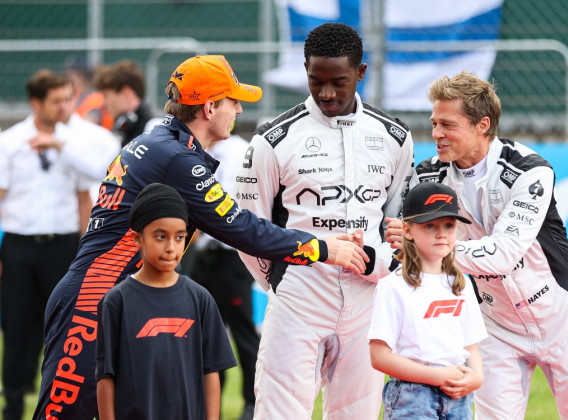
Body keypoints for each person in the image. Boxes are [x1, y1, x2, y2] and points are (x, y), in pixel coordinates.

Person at [33, 54, 367, 420]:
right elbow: (241, 228)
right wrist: (324, 248)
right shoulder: (176, 158)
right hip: (91, 301)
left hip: (118, 299)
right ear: (209, 108)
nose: (239, 110)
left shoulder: (163, 144)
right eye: (233, 101)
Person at [387, 71, 568, 419]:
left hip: (561, 317)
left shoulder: (530, 170)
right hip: (493, 325)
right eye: (434, 123)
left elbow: (504, 254)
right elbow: (400, 241)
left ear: (482, 124)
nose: (436, 134)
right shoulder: (427, 176)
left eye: (447, 124)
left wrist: (424, 247)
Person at [234, 23, 415, 419]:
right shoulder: (273, 139)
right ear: (305, 70)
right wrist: (281, 279)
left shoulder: (396, 137)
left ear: (361, 73)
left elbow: (402, 227)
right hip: (299, 295)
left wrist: (374, 263)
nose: (327, 92)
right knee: (280, 412)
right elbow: (248, 228)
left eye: (339, 81)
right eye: (316, 81)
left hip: (368, 299)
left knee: (358, 414)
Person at [95, 183, 236, 420]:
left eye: (179, 237)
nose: (171, 248)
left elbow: (211, 372)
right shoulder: (116, 301)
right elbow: (105, 376)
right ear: (137, 238)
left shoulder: (200, 299)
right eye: (160, 236)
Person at [0, 69, 93, 420]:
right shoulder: (10, 141)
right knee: (17, 330)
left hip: (64, 246)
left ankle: (56, 406)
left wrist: (84, 250)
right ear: (35, 102)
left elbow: (85, 196)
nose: (63, 107)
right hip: (20, 246)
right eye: (56, 101)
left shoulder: (75, 142)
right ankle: (11, 407)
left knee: (62, 331)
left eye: (67, 99)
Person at [368, 182, 487, 420]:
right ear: (408, 231)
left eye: (449, 225)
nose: (441, 233)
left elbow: (470, 346)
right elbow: (379, 356)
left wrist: (476, 377)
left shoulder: (460, 283)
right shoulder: (393, 286)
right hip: (412, 395)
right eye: (430, 225)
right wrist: (435, 377)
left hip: (458, 395)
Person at [189, 127, 260, 420]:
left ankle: (252, 402)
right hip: (201, 254)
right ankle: (208, 404)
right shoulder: (192, 150)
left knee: (243, 331)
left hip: (232, 256)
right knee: (203, 332)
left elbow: (230, 207)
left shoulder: (241, 152)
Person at [93, 60, 158, 146]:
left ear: (127, 94)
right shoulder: (126, 129)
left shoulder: (153, 128)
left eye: (106, 96)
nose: (104, 104)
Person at [64, 54, 114, 130]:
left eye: (71, 74)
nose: (68, 77)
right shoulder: (77, 95)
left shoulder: (95, 97)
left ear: (80, 75)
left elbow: (90, 122)